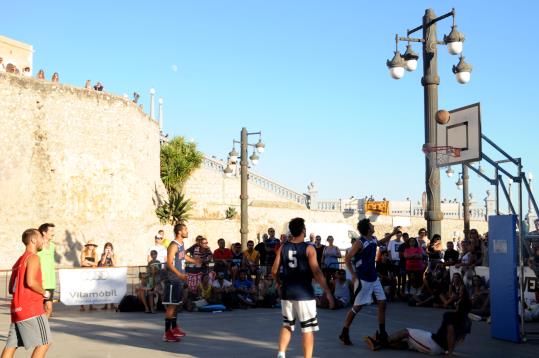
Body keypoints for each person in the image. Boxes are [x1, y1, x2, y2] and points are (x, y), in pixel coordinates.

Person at [272, 217, 334, 358]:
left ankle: (281, 354)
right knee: (307, 328)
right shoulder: (309, 248)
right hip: (304, 294)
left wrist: (278, 283)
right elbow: (317, 272)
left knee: (287, 324)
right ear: (303, 230)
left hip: (287, 292)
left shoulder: (283, 247)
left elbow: (274, 270)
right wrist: (328, 292)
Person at [339, 219, 395, 346]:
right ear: (368, 228)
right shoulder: (360, 242)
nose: (373, 225)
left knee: (382, 302)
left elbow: (380, 242)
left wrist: (392, 234)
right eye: (371, 224)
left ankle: (382, 332)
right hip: (363, 279)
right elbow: (347, 258)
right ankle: (344, 332)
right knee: (357, 307)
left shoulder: (373, 239)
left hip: (373, 277)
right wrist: (353, 275)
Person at [365, 294, 472, 355]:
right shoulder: (468, 322)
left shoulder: (450, 315)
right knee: (407, 342)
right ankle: (384, 342)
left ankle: (380, 342)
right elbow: (460, 339)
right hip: (437, 343)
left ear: (459, 306)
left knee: (406, 332)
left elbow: (450, 333)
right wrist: (448, 349)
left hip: (434, 344)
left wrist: (449, 354)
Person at [2, 229, 52, 358]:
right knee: (44, 343)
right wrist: (45, 293)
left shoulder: (18, 261)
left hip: (17, 310)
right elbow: (31, 282)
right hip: (31, 309)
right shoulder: (33, 257)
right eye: (41, 237)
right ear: (33, 240)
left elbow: (11, 288)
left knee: (11, 345)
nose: (43, 240)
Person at [162, 223, 200, 342]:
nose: (187, 231)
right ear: (179, 232)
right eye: (185, 229)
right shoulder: (173, 245)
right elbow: (169, 263)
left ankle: (174, 328)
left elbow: (182, 257)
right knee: (171, 305)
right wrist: (179, 274)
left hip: (179, 279)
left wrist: (194, 260)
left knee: (176, 304)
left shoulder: (181, 244)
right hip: (173, 279)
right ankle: (167, 333)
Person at [37, 223, 56, 318]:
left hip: (50, 282)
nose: (53, 233)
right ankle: (37, 329)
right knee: (38, 309)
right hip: (39, 282)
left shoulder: (53, 246)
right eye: (51, 231)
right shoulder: (38, 246)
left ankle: (44, 329)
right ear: (44, 232)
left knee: (49, 308)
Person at [80, 241, 98, 311]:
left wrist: (87, 261)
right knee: (83, 289)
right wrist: (91, 263)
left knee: (91, 289)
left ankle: (91, 305)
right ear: (87, 246)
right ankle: (82, 306)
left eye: (92, 245)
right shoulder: (83, 253)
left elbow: (96, 263)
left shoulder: (95, 254)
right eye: (90, 245)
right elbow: (82, 263)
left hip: (92, 272)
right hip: (84, 272)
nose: (91, 246)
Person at [99, 242, 117, 310]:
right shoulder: (103, 255)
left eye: (109, 248)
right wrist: (106, 254)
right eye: (107, 248)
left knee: (111, 289)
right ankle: (105, 305)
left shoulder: (114, 255)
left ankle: (112, 304)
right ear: (105, 249)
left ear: (111, 249)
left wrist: (111, 256)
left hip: (111, 274)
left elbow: (114, 264)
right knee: (105, 289)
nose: (108, 249)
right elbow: (102, 262)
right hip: (105, 274)